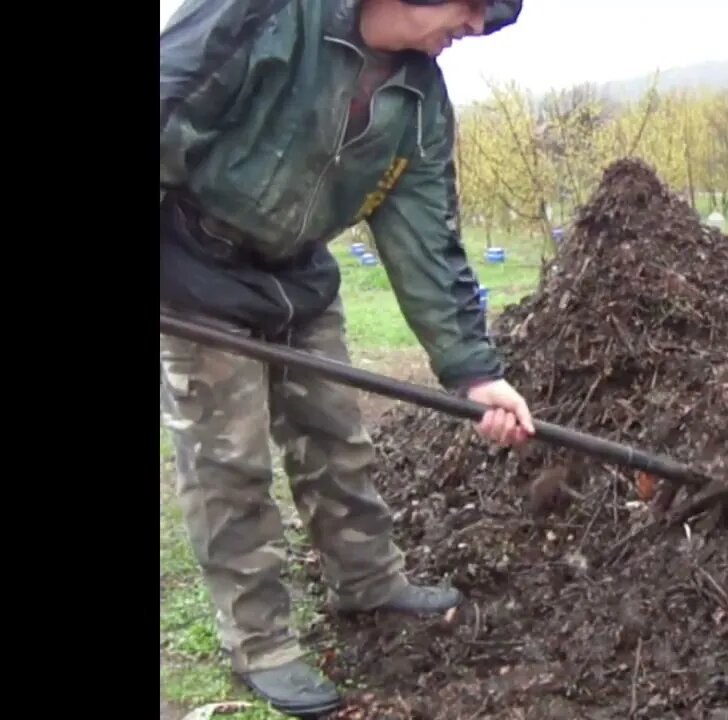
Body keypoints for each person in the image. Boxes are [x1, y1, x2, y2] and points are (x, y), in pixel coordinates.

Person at [159, 0, 528, 714]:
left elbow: (427, 235)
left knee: (336, 437)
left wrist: (475, 371)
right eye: (474, 9)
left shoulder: (418, 96)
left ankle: (367, 582)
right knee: (228, 464)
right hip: (195, 265)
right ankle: (260, 643)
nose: (476, 29)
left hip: (296, 273)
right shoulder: (265, 16)